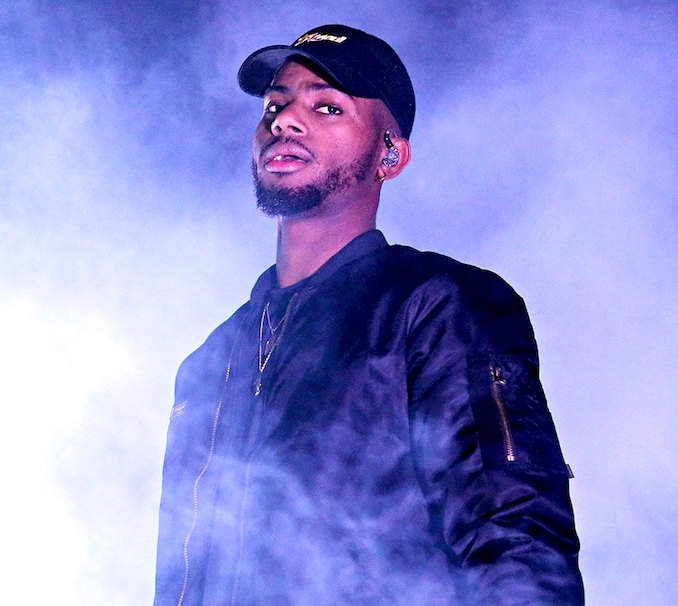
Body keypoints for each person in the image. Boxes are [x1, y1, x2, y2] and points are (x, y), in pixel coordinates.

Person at [154, 24, 584, 606]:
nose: (285, 120)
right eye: (275, 105)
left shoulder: (440, 306)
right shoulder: (211, 361)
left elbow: (516, 540)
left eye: (328, 107)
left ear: (390, 154)